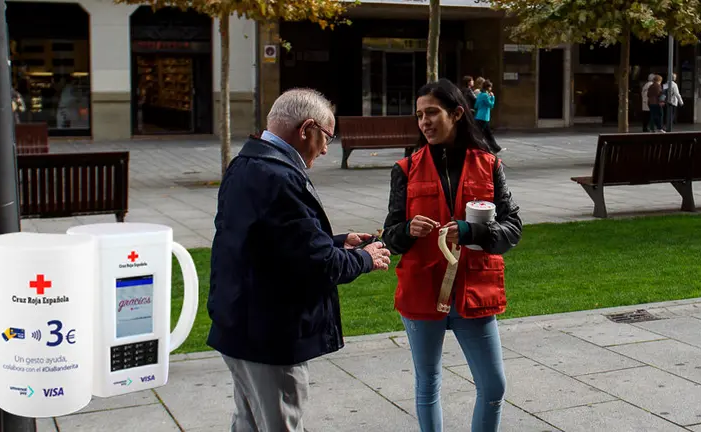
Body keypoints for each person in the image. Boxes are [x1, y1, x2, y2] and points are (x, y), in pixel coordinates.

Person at [207, 88, 391, 432]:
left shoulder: (246, 165)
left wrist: (337, 241)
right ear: (307, 129)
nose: (324, 149)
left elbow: (273, 242)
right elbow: (320, 264)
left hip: (239, 324)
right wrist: (365, 258)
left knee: (248, 422)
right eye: (326, 137)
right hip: (269, 335)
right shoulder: (279, 177)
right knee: (279, 424)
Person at [381, 78, 522, 432]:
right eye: (419, 115)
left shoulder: (489, 165)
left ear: (457, 113)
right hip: (422, 289)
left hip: (474, 290)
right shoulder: (405, 170)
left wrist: (473, 231)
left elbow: (512, 229)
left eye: (432, 113)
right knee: (428, 382)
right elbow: (391, 237)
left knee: (493, 386)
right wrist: (407, 229)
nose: (424, 122)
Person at [474, 80, 502, 154]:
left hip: (478, 116)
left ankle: (495, 148)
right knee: (486, 134)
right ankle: (493, 148)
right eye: (490, 87)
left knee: (485, 133)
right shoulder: (485, 95)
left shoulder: (480, 95)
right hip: (484, 117)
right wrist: (493, 97)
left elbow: (476, 105)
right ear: (487, 87)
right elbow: (491, 105)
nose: (491, 88)